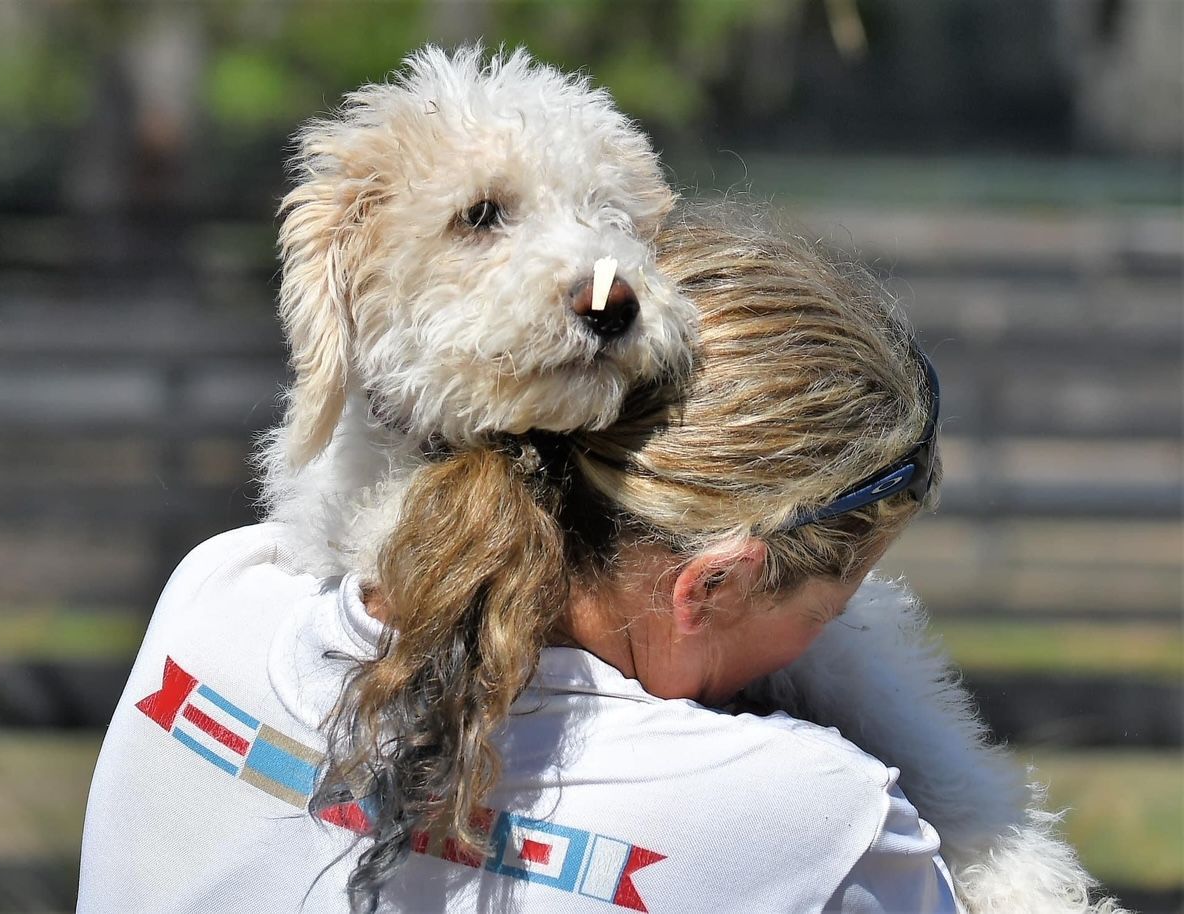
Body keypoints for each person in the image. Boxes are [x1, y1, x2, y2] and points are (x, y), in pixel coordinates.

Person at [79, 215, 957, 914]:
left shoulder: (221, 592)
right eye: (829, 615)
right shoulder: (821, 828)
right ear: (711, 583)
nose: (815, 657)